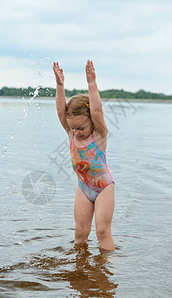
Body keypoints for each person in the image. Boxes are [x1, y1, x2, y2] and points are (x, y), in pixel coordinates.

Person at [53, 60, 115, 251]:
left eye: (81, 128)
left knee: (102, 231)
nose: (76, 132)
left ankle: (107, 267)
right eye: (73, 128)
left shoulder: (99, 135)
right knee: (80, 232)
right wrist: (60, 86)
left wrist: (91, 83)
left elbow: (96, 110)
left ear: (91, 122)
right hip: (83, 188)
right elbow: (60, 109)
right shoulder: (71, 133)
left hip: (103, 188)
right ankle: (80, 267)